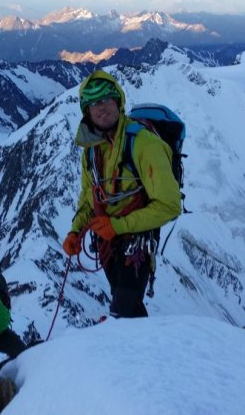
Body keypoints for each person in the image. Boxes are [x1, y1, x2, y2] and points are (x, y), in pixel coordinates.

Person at [62, 70, 182, 318]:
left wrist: (117, 226)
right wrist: (76, 230)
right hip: (107, 240)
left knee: (122, 310)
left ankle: (139, 353)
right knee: (127, 306)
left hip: (137, 238)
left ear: (119, 102)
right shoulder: (91, 151)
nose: (101, 108)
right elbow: (89, 195)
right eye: (93, 103)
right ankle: (151, 353)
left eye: (106, 100)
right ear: (86, 111)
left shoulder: (144, 144)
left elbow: (169, 205)